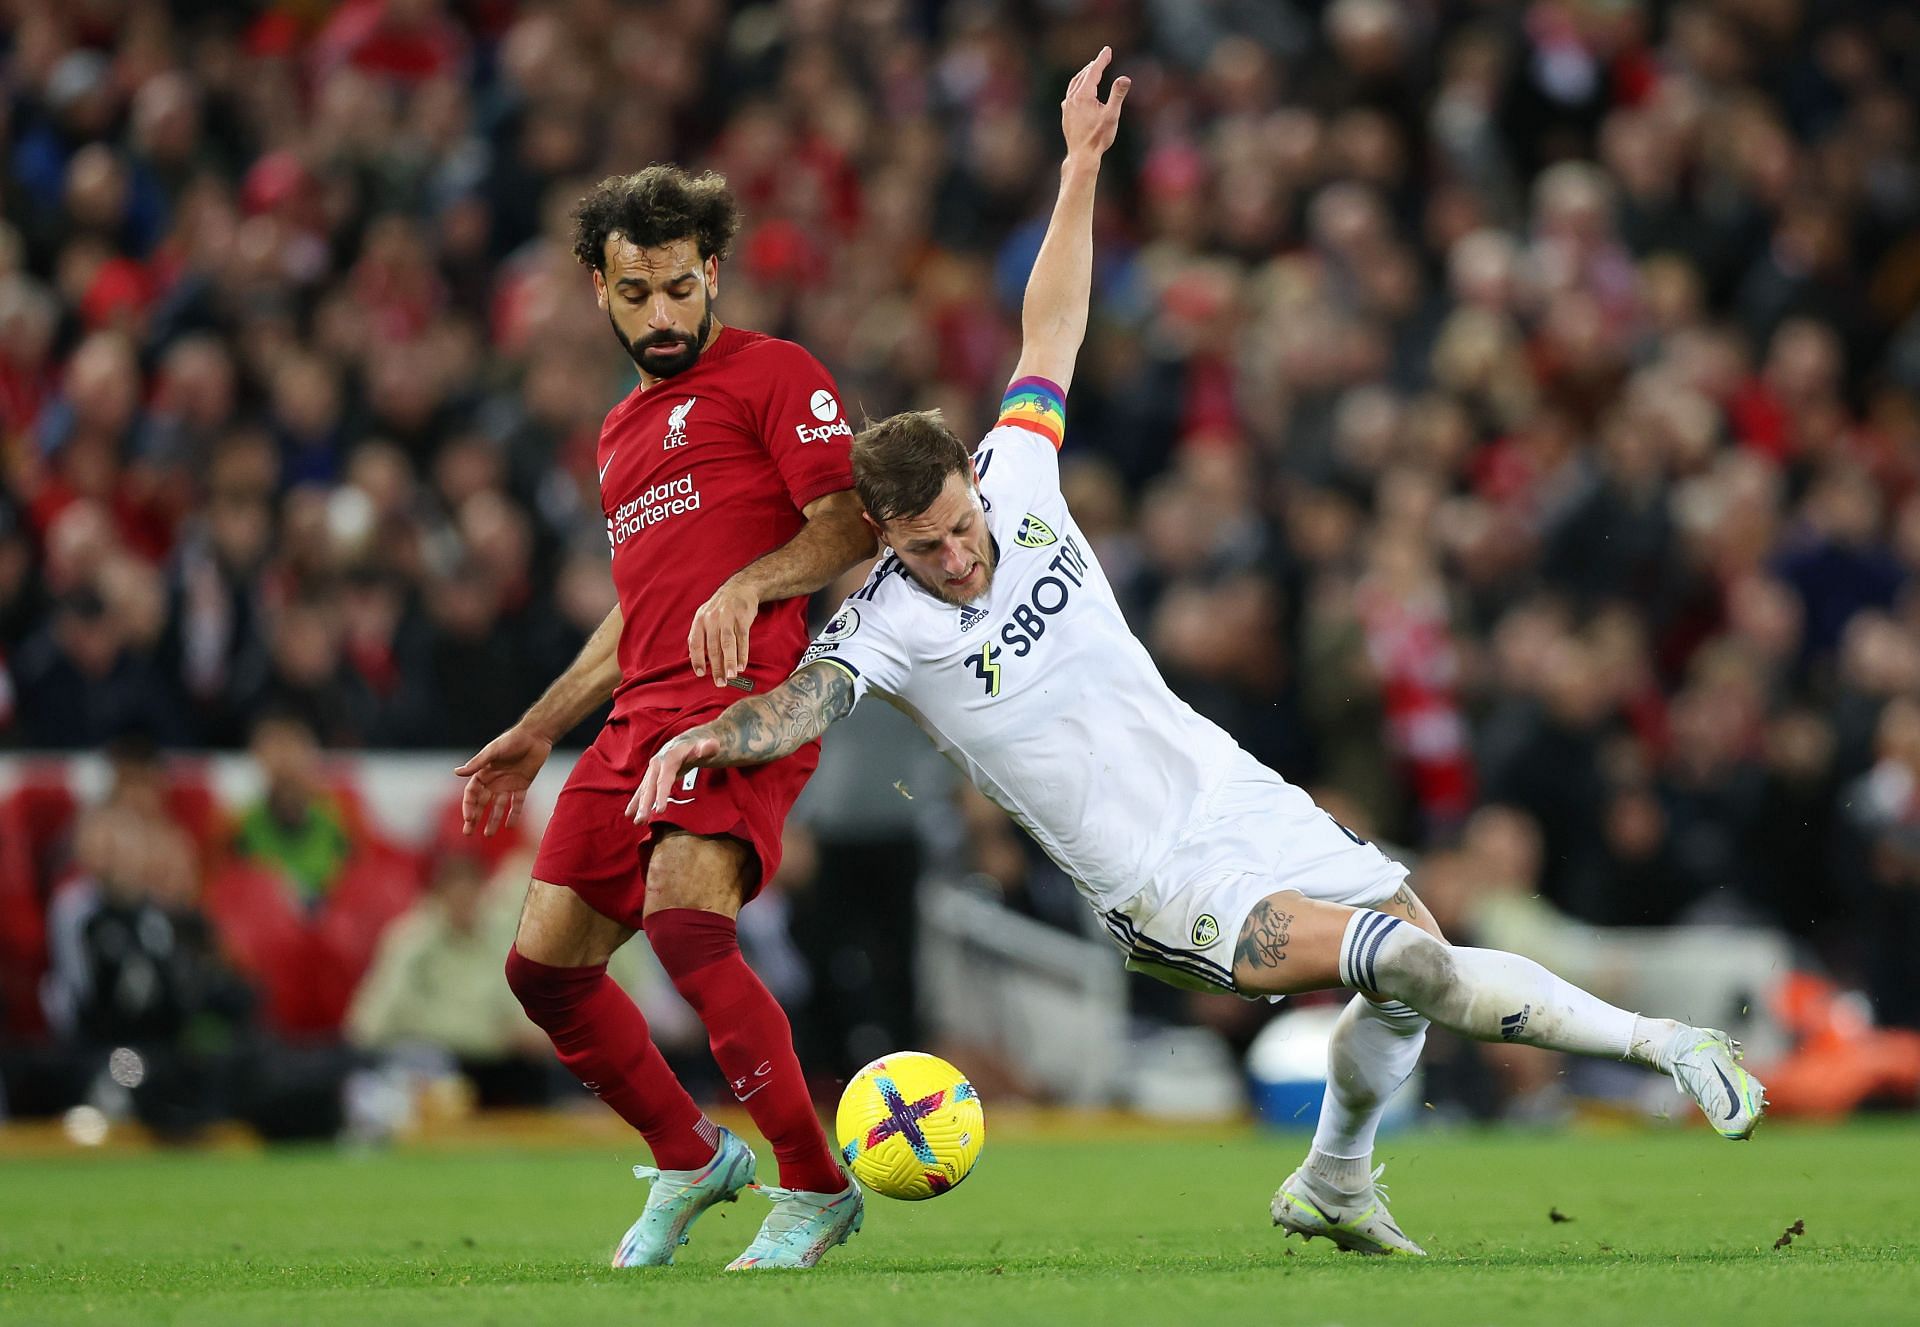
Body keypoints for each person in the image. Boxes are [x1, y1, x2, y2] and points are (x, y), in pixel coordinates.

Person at [632, 50, 1767, 1258]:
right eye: (926, 547)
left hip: (1233, 792)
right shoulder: (887, 628)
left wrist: (1078, 169)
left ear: (974, 480)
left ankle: (1336, 1178)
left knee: (1414, 944)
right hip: (1160, 882)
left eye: (960, 528)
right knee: (1411, 969)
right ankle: (1665, 1044)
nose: (960, 558)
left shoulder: (1019, 474)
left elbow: (1052, 322)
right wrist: (712, 733)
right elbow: (801, 703)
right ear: (883, 540)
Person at [455, 164, 874, 1270]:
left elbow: (848, 524)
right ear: (599, 287)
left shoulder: (775, 373)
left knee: (689, 925)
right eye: (636, 293)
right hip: (633, 716)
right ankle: (692, 1155)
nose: (663, 315)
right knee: (542, 973)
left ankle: (817, 1184)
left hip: (742, 702)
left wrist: (752, 585)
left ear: (712, 272)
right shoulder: (618, 434)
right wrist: (543, 722)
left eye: (681, 288)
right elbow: (639, 611)